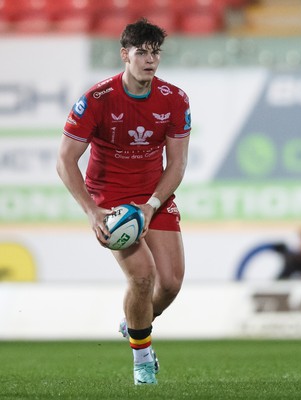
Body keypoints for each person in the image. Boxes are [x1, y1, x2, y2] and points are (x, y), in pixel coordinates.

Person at [56, 18, 191, 385]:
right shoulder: (97, 100)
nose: (150, 60)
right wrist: (91, 210)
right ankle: (143, 360)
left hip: (154, 197)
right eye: (141, 52)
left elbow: (177, 163)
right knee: (143, 278)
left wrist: (152, 203)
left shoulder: (174, 99)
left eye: (155, 52)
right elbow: (65, 161)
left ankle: (133, 324)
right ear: (124, 55)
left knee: (172, 284)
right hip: (112, 201)